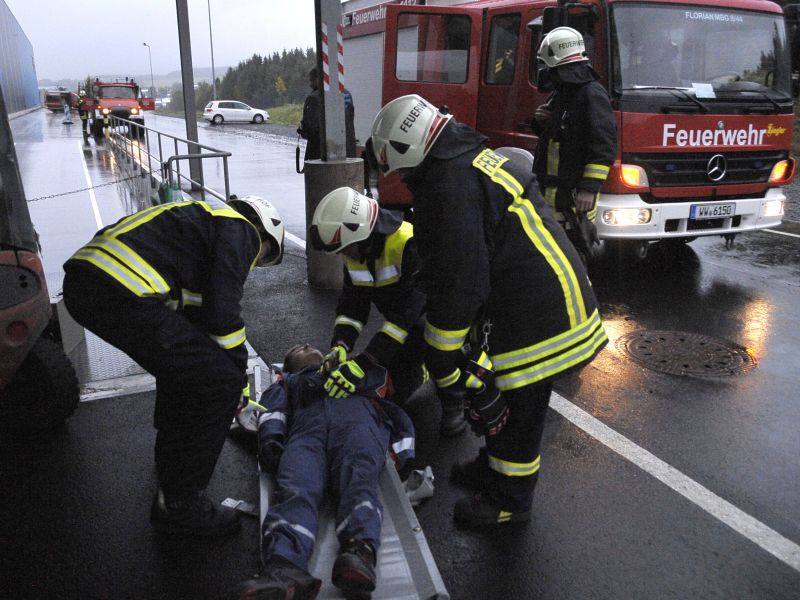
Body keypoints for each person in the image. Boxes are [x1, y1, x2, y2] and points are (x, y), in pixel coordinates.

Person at [368, 94, 608, 527]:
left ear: (410, 150)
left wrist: (442, 346)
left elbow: (460, 278)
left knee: (519, 406)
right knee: (500, 395)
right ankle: (493, 466)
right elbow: (452, 260)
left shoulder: (449, 184)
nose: (401, 177)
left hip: (540, 311)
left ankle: (510, 501)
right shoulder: (463, 161)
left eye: (400, 168)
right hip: (534, 293)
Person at [62, 195, 285, 538]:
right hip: (116, 288)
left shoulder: (201, 225)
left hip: (90, 283)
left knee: (187, 367)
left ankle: (171, 463)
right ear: (264, 233)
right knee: (219, 379)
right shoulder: (241, 231)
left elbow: (199, 320)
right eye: (265, 256)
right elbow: (223, 314)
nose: (256, 262)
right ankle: (180, 502)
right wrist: (236, 373)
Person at [232, 343, 415, 600]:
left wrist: (403, 453)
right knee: (295, 488)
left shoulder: (356, 373)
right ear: (291, 365)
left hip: (357, 429)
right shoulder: (288, 382)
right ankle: (285, 569)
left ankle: (358, 553)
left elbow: (395, 413)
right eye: (297, 348)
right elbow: (272, 412)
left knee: (358, 483)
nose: (305, 345)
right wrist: (271, 440)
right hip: (307, 435)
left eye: (308, 345)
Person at [308, 186, 466, 436]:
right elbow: (352, 305)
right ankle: (422, 366)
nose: (342, 255)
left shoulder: (408, 243)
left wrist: (365, 360)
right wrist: (340, 345)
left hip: (440, 315)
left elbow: (407, 314)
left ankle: (454, 399)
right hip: (403, 320)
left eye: (343, 248)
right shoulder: (357, 251)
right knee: (394, 387)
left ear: (360, 235)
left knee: (437, 351)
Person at [532, 27, 616, 262]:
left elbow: (604, 144)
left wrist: (590, 187)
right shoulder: (563, 93)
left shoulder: (591, 93)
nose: (547, 73)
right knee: (553, 254)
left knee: (573, 255)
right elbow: (559, 135)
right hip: (554, 191)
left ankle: (580, 296)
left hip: (574, 195)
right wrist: (540, 121)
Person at [298, 67, 357, 161]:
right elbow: (350, 120)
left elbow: (311, 130)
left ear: (318, 79)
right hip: (348, 154)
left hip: (322, 156)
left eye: (311, 80)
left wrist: (302, 129)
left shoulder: (314, 98)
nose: (310, 85)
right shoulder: (346, 95)